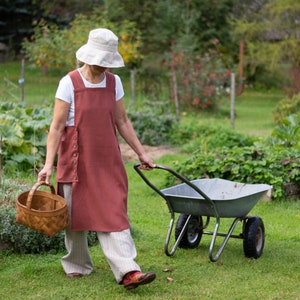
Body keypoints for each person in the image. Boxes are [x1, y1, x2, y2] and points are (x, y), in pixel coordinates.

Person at [38, 28, 156, 290]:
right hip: (76, 158)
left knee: (113, 210)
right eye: (101, 60)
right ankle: (77, 264)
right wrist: (48, 166)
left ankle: (129, 271)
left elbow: (122, 120)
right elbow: (56, 127)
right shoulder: (69, 82)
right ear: (89, 56)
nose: (104, 66)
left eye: (107, 61)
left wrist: (141, 152)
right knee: (74, 213)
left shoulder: (114, 83)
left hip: (107, 160)